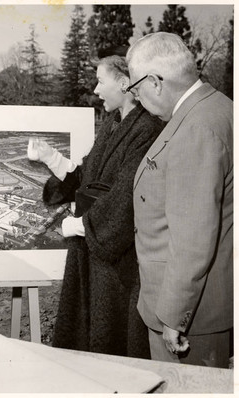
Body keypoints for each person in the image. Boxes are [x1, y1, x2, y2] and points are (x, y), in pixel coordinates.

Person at [29, 53, 164, 358]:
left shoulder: (147, 130)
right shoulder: (113, 124)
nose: (96, 89)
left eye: (101, 81)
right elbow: (89, 175)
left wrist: (79, 225)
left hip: (118, 264)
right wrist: (51, 157)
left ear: (125, 83)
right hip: (94, 255)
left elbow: (127, 194)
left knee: (111, 340)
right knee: (89, 337)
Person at [127, 32, 233, 368]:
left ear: (155, 82)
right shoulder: (215, 107)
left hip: (188, 318)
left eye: (135, 88)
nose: (137, 98)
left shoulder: (196, 128)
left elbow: (193, 239)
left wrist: (174, 316)